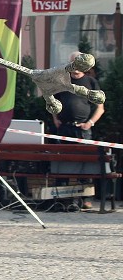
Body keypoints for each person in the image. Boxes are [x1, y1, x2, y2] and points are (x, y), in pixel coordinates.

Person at [51, 51, 105, 210]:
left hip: (83, 130)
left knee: (85, 164)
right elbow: (52, 100)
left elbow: (100, 108)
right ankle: (63, 199)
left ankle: (86, 198)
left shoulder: (91, 82)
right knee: (63, 163)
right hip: (65, 128)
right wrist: (55, 119)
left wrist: (90, 123)